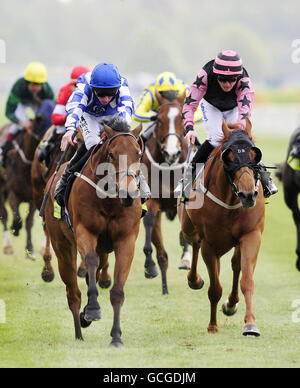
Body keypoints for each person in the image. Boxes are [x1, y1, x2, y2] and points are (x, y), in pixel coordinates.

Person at [175, 50, 278, 198]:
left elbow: (245, 113)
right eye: (223, 79)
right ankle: (187, 178)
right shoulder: (204, 75)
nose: (228, 84)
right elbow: (189, 105)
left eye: (232, 80)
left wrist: (240, 134)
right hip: (211, 105)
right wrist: (189, 128)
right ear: (216, 75)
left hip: (235, 107)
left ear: (238, 77)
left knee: (241, 139)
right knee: (215, 138)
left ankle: (263, 175)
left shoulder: (245, 82)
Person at [54, 62, 151, 207]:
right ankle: (65, 178)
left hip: (114, 117)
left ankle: (140, 181)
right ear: (93, 88)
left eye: (110, 94)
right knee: (92, 143)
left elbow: (126, 108)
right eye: (100, 94)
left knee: (124, 144)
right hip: (89, 116)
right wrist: (69, 129)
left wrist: (120, 133)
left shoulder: (123, 85)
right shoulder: (84, 85)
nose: (106, 99)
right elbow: (75, 107)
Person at [0, 62, 55, 167]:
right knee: (17, 125)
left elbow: (52, 109)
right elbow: (9, 112)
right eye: (31, 83)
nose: (34, 87)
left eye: (37, 84)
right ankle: (4, 149)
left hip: (38, 104)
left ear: (42, 83)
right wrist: (22, 123)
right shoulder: (19, 86)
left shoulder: (47, 90)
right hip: (21, 102)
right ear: (26, 82)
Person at [37, 65, 90, 162]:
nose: (79, 88)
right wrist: (71, 117)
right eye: (76, 85)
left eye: (83, 85)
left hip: (86, 128)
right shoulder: (65, 91)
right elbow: (55, 118)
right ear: (71, 84)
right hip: (65, 127)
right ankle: (44, 151)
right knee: (51, 132)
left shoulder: (92, 92)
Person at [133, 71, 203, 143]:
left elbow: (200, 114)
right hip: (159, 118)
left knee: (193, 136)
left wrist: (186, 119)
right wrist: (155, 117)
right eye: (163, 94)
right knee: (145, 135)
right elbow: (137, 114)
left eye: (172, 93)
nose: (168, 97)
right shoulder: (150, 92)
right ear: (157, 91)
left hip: (179, 117)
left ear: (177, 90)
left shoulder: (185, 90)